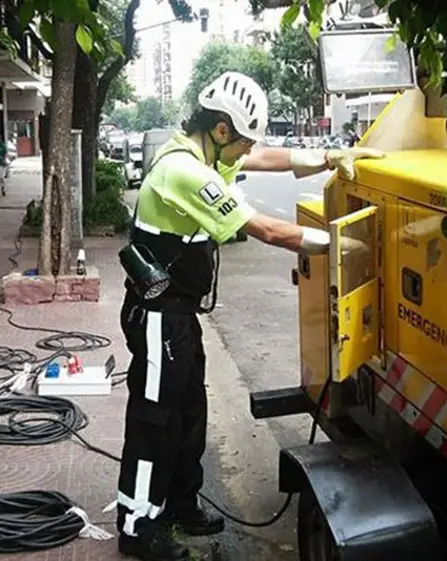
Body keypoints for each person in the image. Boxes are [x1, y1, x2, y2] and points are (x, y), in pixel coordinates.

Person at [116, 71, 384, 561]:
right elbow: (268, 231)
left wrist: (331, 157)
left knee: (190, 412)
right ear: (221, 131)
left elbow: (267, 158)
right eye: (242, 142)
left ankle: (180, 504)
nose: (247, 152)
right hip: (157, 317)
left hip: (180, 315)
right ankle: (137, 525)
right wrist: (347, 244)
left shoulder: (204, 153)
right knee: (155, 418)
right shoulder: (185, 171)